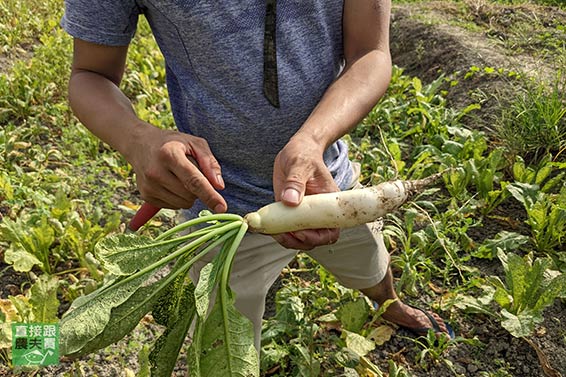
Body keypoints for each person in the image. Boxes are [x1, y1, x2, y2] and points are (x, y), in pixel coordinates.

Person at [61, 0, 453, 353]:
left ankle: (389, 304)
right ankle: (26, 351)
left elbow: (370, 52)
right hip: (219, 203)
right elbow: (89, 75)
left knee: (368, 260)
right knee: (226, 341)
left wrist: (312, 140)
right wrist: (139, 139)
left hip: (327, 187)